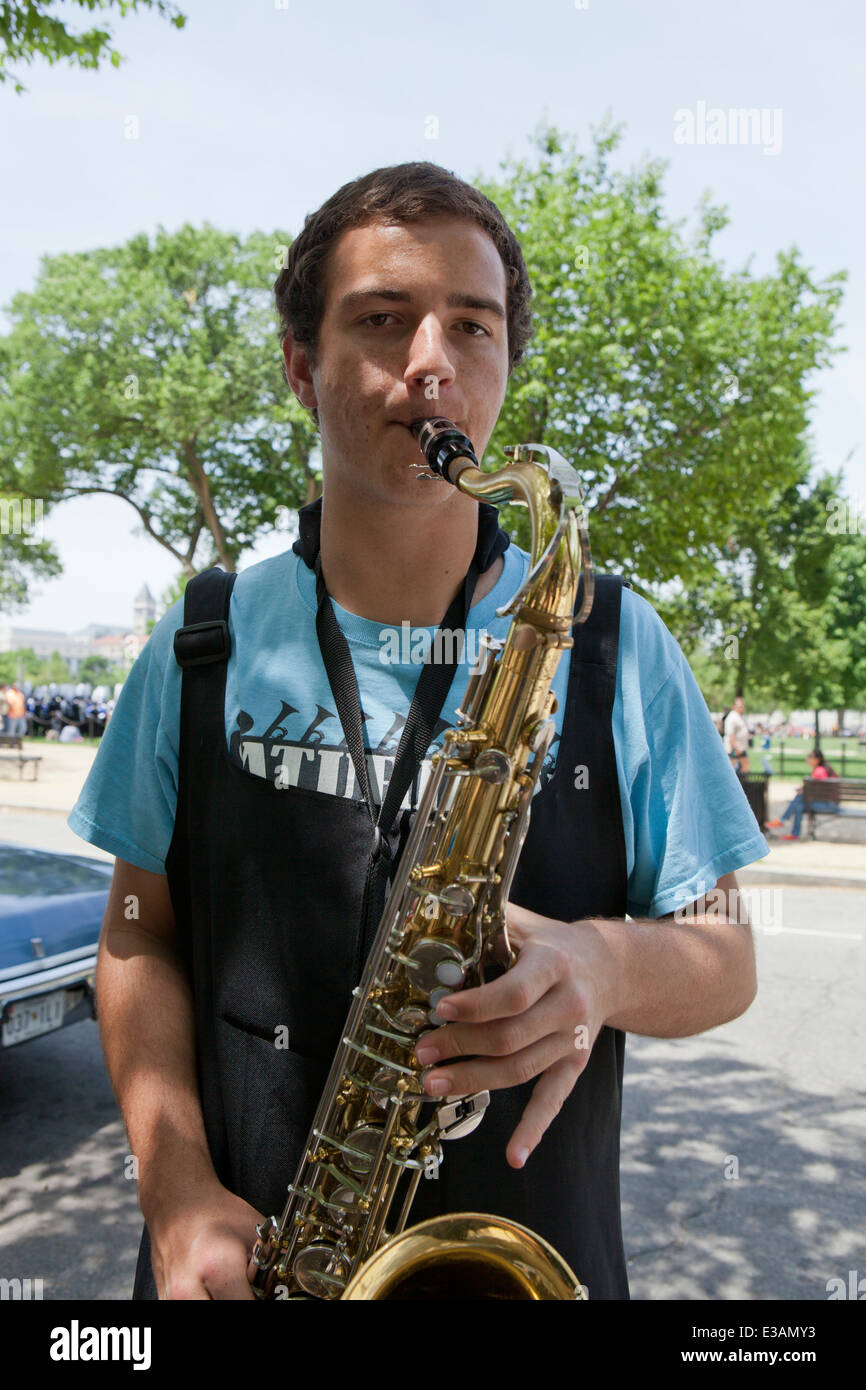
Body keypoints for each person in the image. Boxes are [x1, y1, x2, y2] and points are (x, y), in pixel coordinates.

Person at [68, 160, 766, 1302]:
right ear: (302, 364)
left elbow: (725, 951)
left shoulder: (613, 639)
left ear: (501, 368)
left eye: (471, 328)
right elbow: (140, 935)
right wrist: (174, 1185)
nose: (431, 361)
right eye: (383, 321)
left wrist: (603, 964)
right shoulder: (200, 639)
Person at [766, 748, 839, 839]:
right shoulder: (823, 769)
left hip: (828, 805)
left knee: (800, 797)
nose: (807, 758)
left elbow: (817, 791)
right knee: (799, 806)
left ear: (818, 759)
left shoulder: (819, 771)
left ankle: (783, 820)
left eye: (810, 756)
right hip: (828, 803)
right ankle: (794, 833)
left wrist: (803, 791)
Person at [723, 695, 751, 773]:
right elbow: (731, 734)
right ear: (734, 706)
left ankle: (743, 784)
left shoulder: (739, 716)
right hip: (734, 749)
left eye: (743, 706)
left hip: (740, 748)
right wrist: (735, 748)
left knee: (745, 768)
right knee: (733, 771)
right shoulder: (732, 717)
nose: (742, 708)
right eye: (740, 706)